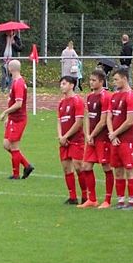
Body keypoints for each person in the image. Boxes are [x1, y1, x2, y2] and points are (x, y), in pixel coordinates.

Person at [79, 69, 115, 209]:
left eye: (94, 80)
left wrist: (92, 135)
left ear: (101, 82)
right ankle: (92, 199)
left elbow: (103, 120)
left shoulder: (105, 97)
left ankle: (107, 200)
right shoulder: (89, 97)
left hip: (102, 137)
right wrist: (88, 135)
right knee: (86, 166)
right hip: (92, 138)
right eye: (90, 80)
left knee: (106, 167)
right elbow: (88, 117)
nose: (91, 82)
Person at [107, 67, 133, 209]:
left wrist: (115, 133)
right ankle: (120, 201)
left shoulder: (131, 96)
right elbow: (109, 117)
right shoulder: (114, 96)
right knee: (117, 170)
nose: (114, 82)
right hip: (115, 140)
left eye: (116, 79)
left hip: (128, 140)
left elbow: (129, 121)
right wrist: (112, 135)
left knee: (129, 169)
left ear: (124, 79)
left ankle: (131, 202)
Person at [0, 60, 34, 179]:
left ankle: (16, 174)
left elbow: (18, 104)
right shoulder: (15, 81)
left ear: (10, 69)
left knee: (14, 147)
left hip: (18, 119)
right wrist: (9, 117)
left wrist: (5, 112)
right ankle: (27, 165)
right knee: (6, 144)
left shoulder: (18, 83)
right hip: (13, 119)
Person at [56, 76, 86, 205]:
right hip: (64, 141)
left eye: (64, 83)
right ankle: (72, 197)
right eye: (61, 84)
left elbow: (79, 122)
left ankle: (85, 196)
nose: (61, 86)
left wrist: (66, 136)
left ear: (72, 85)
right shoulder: (61, 103)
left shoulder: (77, 101)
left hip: (76, 139)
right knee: (66, 168)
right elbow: (59, 121)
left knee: (78, 167)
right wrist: (60, 136)